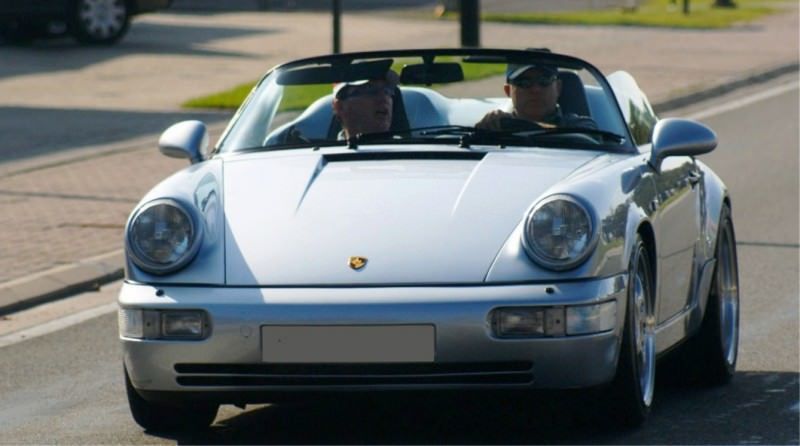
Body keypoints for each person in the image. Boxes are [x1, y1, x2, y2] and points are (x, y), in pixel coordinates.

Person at [475, 62, 596, 131]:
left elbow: (590, 139)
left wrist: (518, 124)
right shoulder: (495, 126)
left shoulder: (580, 126)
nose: (535, 90)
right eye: (524, 83)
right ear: (508, 91)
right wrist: (484, 128)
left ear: (558, 88)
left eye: (544, 81)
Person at [332, 70, 399, 139]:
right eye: (370, 91)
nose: (383, 98)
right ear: (339, 107)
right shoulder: (328, 149)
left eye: (387, 91)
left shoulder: (406, 147)